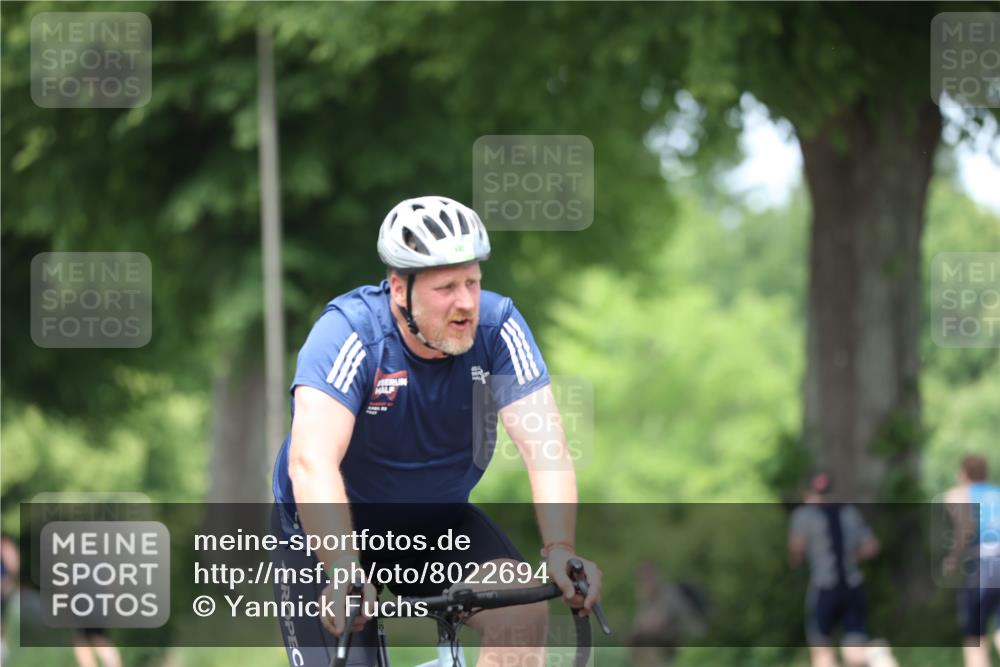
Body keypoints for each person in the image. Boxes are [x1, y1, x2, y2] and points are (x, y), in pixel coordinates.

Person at [271, 196, 602, 667]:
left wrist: (560, 548)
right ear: (398, 291)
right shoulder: (349, 334)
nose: (466, 302)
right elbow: (311, 461)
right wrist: (343, 567)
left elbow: (546, 447)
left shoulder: (498, 327)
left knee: (521, 610)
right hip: (324, 535)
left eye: (472, 281)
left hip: (435, 525)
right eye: (446, 287)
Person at [788, 471, 880, 667]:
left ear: (808, 493)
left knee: (821, 651)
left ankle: (877, 656)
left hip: (824, 587)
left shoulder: (803, 516)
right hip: (852, 585)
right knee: (855, 650)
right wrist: (852, 557)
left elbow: (796, 553)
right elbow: (872, 547)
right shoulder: (849, 512)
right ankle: (875, 657)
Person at [943, 455, 1000, 667]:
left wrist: (952, 559)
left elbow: (965, 530)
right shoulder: (998, 492)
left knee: (975, 636)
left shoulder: (960, 494)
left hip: (982, 565)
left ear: (963, 473)